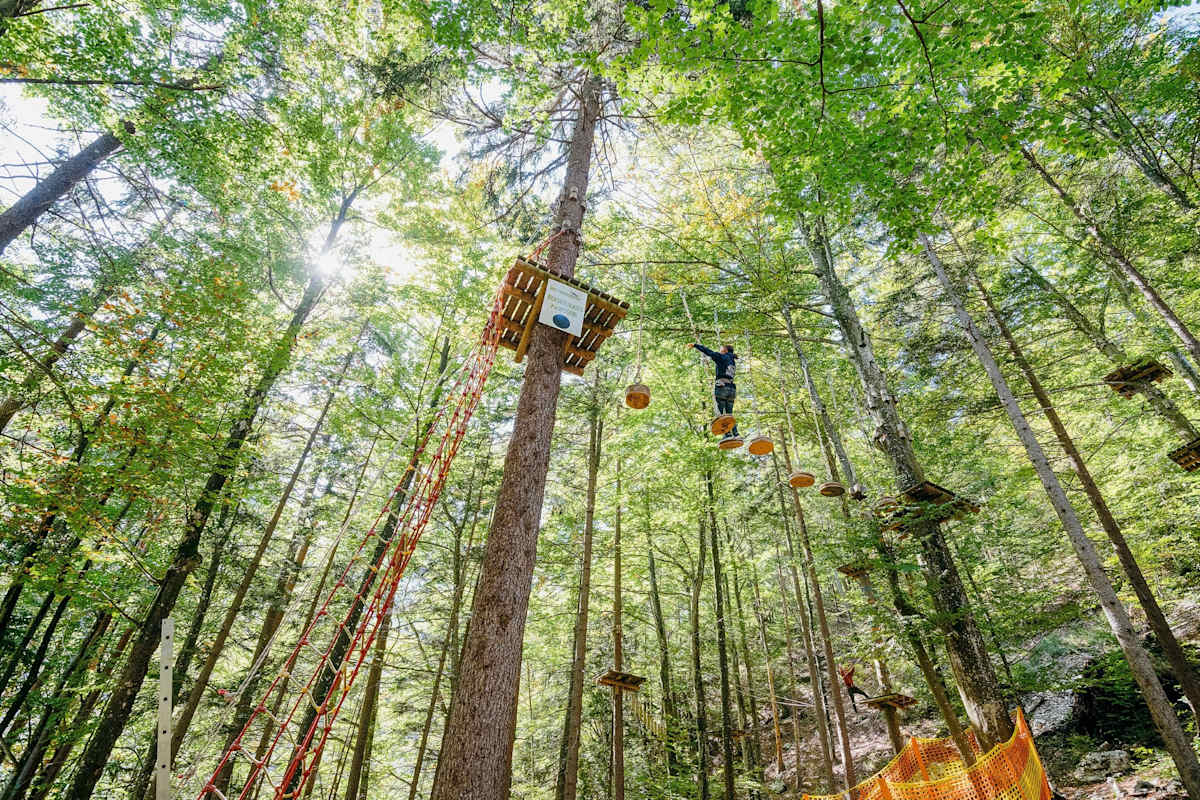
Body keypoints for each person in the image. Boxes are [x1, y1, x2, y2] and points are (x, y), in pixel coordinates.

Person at [689, 341, 739, 438]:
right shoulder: (732, 361)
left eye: (721, 349)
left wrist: (695, 345)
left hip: (722, 387)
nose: (720, 351)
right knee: (729, 414)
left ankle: (727, 434)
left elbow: (709, 352)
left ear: (725, 350)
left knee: (720, 414)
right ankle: (736, 433)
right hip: (731, 389)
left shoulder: (722, 357)